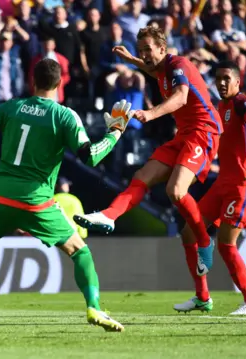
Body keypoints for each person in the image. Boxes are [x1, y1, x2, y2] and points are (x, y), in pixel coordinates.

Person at [0, 58, 133, 334]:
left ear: (31, 80)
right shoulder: (64, 115)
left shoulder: (11, 107)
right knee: (79, 251)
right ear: (60, 83)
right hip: (37, 201)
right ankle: (93, 307)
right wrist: (115, 133)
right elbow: (91, 157)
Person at [74, 26, 223, 274]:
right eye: (140, 50)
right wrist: (131, 60)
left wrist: (150, 113)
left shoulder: (179, 65)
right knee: (142, 177)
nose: (143, 54)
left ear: (162, 49)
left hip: (204, 134)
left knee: (175, 190)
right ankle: (109, 215)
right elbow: (152, 70)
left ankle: (205, 241)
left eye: (148, 50)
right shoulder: (162, 67)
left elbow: (181, 97)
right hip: (185, 135)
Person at [173, 61, 246, 316]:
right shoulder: (221, 107)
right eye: (218, 78)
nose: (222, 82)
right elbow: (241, 138)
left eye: (227, 78)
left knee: (225, 244)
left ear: (238, 81)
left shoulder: (240, 102)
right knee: (188, 234)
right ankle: (202, 297)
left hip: (243, 185)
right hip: (222, 183)